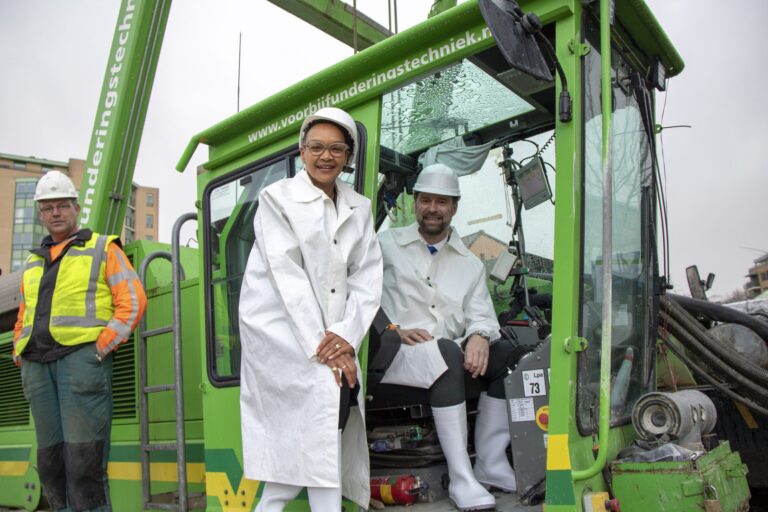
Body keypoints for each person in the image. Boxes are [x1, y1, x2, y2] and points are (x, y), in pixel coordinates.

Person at [238, 107, 382, 512]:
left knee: (317, 454)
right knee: (307, 456)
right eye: (316, 146)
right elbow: (288, 278)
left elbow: (368, 278)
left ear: (349, 157)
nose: (326, 156)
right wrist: (327, 345)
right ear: (301, 151)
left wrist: (346, 337)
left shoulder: (360, 207)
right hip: (285, 339)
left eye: (337, 148)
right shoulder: (277, 199)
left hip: (332, 341)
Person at [377, 164, 520, 511]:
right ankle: (461, 477)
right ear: (415, 203)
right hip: (396, 355)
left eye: (442, 202)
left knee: (512, 358)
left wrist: (479, 337)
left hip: (446, 354)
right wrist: (392, 329)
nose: (432, 208)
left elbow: (482, 315)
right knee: (446, 353)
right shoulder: (385, 245)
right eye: (426, 200)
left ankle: (490, 462)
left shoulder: (470, 264)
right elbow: (359, 297)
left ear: (454, 207)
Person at [13, 170, 147, 511]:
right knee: (50, 463)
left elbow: (132, 302)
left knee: (84, 462)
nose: (55, 212)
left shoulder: (102, 247)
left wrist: (97, 350)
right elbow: (24, 315)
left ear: (76, 209)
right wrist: (20, 354)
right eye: (47, 207)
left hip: (80, 364)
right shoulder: (32, 261)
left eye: (62, 205)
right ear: (40, 214)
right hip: (38, 369)